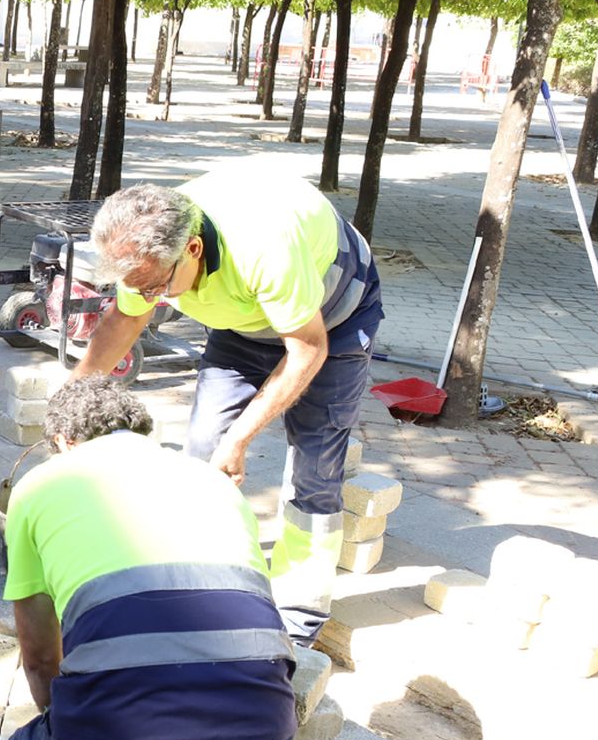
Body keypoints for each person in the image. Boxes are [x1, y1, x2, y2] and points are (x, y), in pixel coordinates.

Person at [0, 377, 296, 740]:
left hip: (123, 732)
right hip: (259, 728)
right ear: (141, 430)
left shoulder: (40, 484)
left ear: (63, 441)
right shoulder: (213, 482)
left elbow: (39, 656)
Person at [73, 168, 384, 646]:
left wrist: (240, 439)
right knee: (203, 453)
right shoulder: (147, 246)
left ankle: (299, 616)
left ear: (193, 249)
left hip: (332, 320)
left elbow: (307, 350)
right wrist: (73, 399)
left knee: (315, 468)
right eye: (141, 288)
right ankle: (205, 588)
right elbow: (124, 322)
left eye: (157, 288)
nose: (150, 299)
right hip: (244, 324)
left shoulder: (266, 248)